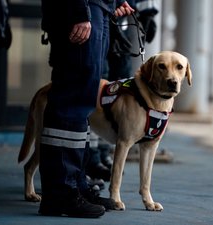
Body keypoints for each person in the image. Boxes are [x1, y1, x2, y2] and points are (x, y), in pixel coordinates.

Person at [38, 0, 134, 218]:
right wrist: (79, 11)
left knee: (84, 99)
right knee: (73, 99)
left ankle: (75, 185)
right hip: (83, 9)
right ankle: (61, 192)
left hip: (96, 9)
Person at [86, 0, 159, 181]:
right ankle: (90, 158)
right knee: (97, 91)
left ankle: (103, 153)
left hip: (123, 18)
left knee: (117, 96)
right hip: (101, 12)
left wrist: (146, 11)